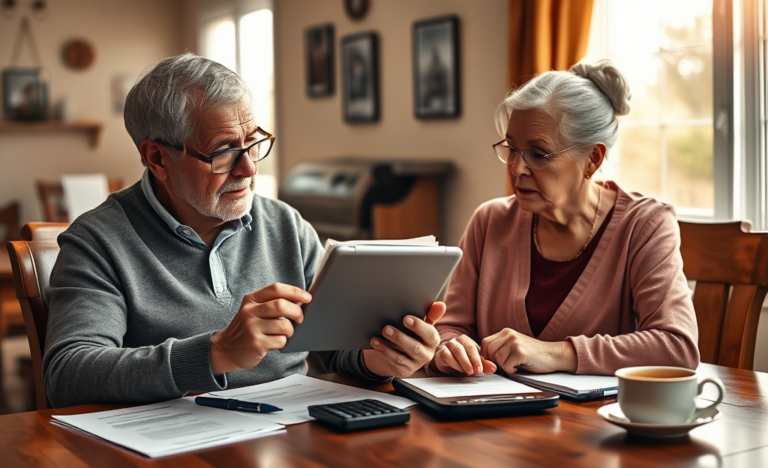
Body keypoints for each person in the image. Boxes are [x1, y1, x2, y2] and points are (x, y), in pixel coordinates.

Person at [43, 53, 444, 408]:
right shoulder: (97, 241)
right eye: (223, 152)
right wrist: (214, 353)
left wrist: (381, 357)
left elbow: (336, 346)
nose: (249, 168)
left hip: (291, 438)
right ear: (157, 158)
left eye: (253, 143)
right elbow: (68, 373)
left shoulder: (285, 224)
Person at [428, 61, 699, 377]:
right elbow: (452, 326)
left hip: (595, 423)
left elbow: (676, 347)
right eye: (511, 149)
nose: (516, 168)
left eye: (538, 154)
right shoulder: (488, 221)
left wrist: (554, 353)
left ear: (592, 160)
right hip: (491, 420)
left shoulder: (645, 225)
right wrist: (451, 349)